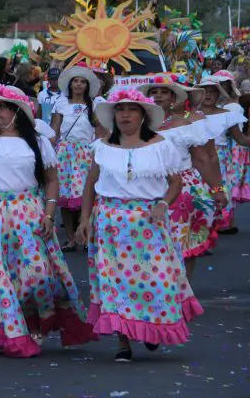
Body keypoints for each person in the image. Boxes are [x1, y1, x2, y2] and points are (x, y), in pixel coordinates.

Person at [0, 85, 95, 357]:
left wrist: (49, 214)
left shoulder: (37, 142)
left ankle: (35, 320)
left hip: (27, 212)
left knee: (35, 273)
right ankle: (10, 330)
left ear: (17, 112)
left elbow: (51, 180)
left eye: (1, 106)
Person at [78, 88, 201, 362]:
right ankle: (123, 341)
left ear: (142, 115)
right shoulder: (102, 146)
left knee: (154, 279)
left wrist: (163, 204)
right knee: (115, 283)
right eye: (120, 110)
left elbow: (176, 182)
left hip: (147, 222)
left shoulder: (161, 145)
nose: (125, 115)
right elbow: (90, 185)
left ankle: (150, 327)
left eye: (131, 109)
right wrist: (85, 219)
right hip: (110, 221)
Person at [138, 76, 227, 280]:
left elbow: (203, 160)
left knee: (182, 243)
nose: (159, 96)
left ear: (173, 99)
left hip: (184, 191)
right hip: (145, 190)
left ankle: (182, 290)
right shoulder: (135, 126)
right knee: (149, 244)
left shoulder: (187, 126)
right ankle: (157, 290)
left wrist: (217, 189)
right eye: (154, 92)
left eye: (164, 92)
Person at [50, 65, 101, 252]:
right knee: (64, 195)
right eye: (76, 81)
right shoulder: (61, 103)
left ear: (87, 86)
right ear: (70, 85)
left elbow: (99, 130)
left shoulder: (94, 105)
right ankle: (71, 239)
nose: (78, 84)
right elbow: (55, 128)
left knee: (84, 194)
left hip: (85, 153)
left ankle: (85, 236)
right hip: (64, 153)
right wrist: (48, 148)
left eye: (82, 82)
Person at [196, 76, 250, 235]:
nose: (208, 95)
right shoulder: (190, 116)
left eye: (213, 92)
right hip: (197, 158)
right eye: (205, 91)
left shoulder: (227, 115)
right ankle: (202, 225)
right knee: (200, 191)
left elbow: (240, 138)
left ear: (218, 95)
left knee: (220, 189)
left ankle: (221, 223)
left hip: (221, 158)